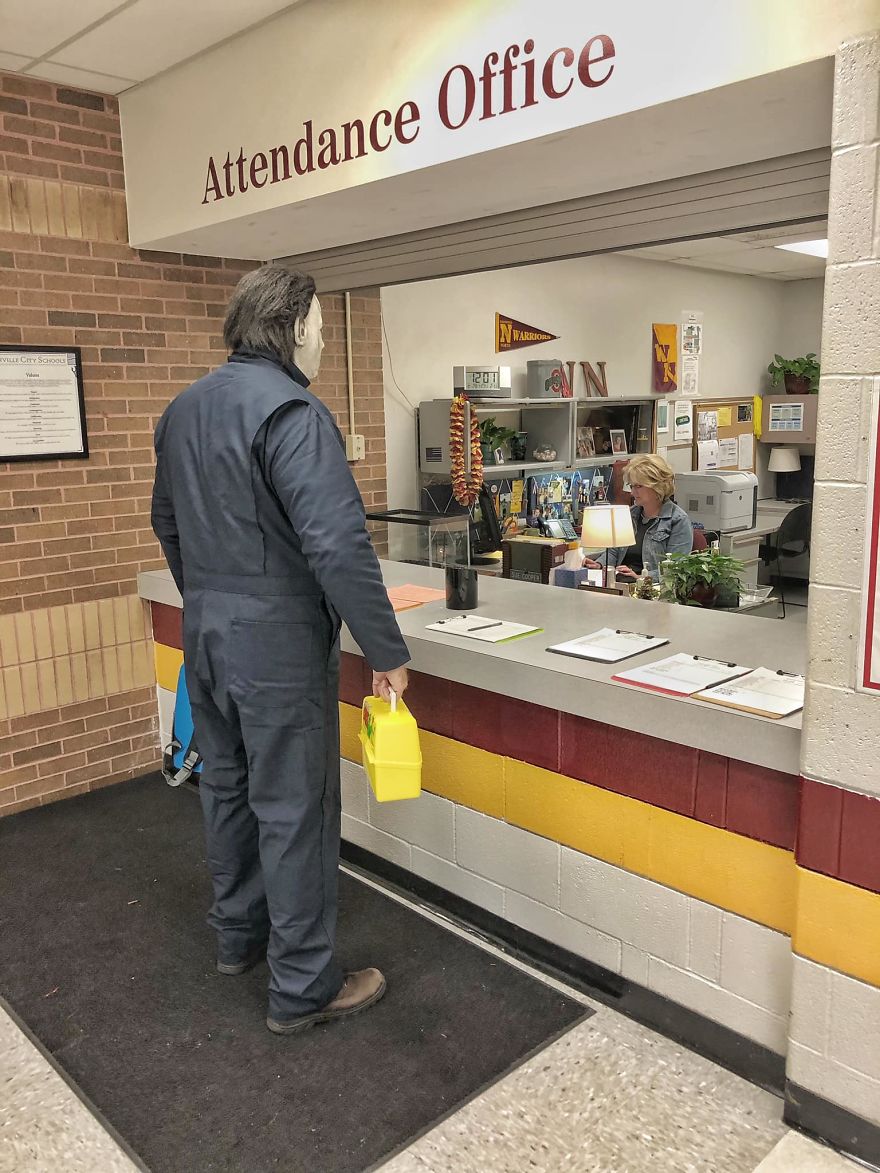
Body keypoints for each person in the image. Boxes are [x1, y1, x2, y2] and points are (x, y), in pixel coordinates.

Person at [151, 266, 410, 1035]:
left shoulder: (183, 408)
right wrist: (385, 647)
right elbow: (337, 543)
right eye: (322, 328)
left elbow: (166, 520)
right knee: (296, 808)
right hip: (277, 645)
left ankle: (240, 937)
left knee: (225, 788)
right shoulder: (294, 411)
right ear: (293, 326)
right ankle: (302, 986)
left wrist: (211, 600)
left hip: (206, 630)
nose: (325, 341)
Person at [582, 453, 693, 582]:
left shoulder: (678, 521)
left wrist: (642, 577)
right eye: (631, 486)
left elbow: (676, 569)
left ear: (657, 486)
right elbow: (614, 552)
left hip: (651, 589)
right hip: (621, 582)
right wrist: (599, 564)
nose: (633, 492)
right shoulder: (629, 515)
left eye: (639, 486)